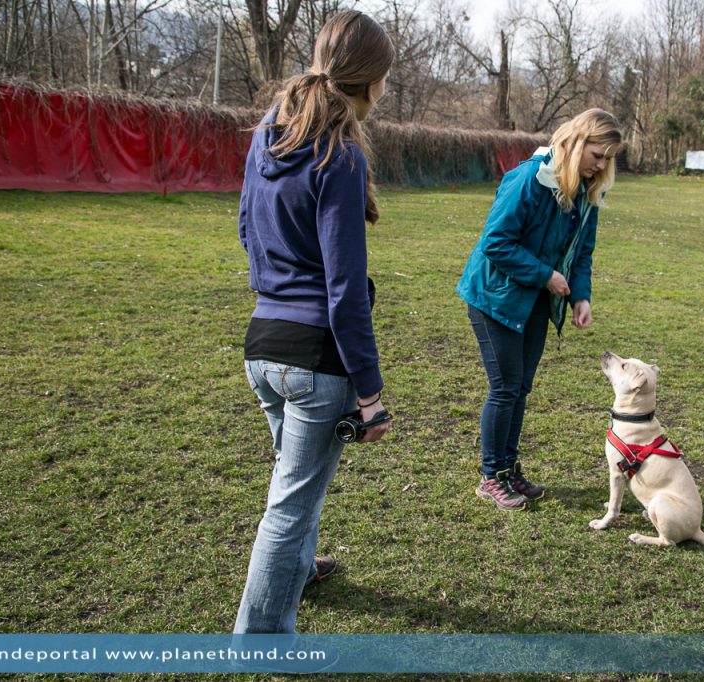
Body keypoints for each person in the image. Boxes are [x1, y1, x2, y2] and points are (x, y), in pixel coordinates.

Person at [234, 10, 394, 633]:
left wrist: (272, 294)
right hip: (313, 361)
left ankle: (297, 570)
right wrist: (371, 395)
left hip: (261, 345)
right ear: (372, 81)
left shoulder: (266, 137)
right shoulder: (340, 155)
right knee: (290, 505)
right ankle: (262, 640)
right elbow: (345, 290)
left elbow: (247, 229)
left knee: (293, 487)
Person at [457, 108, 623, 511]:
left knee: (520, 388)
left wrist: (579, 296)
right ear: (576, 143)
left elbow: (581, 253)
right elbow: (495, 242)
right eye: (596, 155)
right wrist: (545, 275)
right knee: (504, 388)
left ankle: (508, 469)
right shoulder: (528, 181)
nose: (601, 165)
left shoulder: (586, 193)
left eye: (607, 159)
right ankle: (491, 476)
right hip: (494, 297)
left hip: (533, 300)